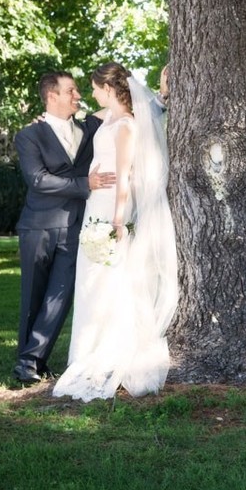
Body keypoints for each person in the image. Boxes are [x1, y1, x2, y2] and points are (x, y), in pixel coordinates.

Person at [53, 62, 179, 402]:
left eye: (95, 88)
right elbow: (85, 116)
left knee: (111, 279)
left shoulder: (125, 125)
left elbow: (125, 174)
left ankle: (112, 348)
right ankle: (87, 348)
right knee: (91, 278)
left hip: (111, 209)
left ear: (108, 89)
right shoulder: (107, 118)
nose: (90, 93)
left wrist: (118, 220)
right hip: (96, 202)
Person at [12, 71, 116, 384]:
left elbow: (119, 105)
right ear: (51, 95)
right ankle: (28, 361)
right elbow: (38, 180)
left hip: (75, 228)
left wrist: (161, 99)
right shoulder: (29, 135)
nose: (77, 95)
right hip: (38, 227)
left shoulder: (90, 127)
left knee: (60, 296)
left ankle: (31, 361)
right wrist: (85, 183)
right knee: (34, 295)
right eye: (71, 91)